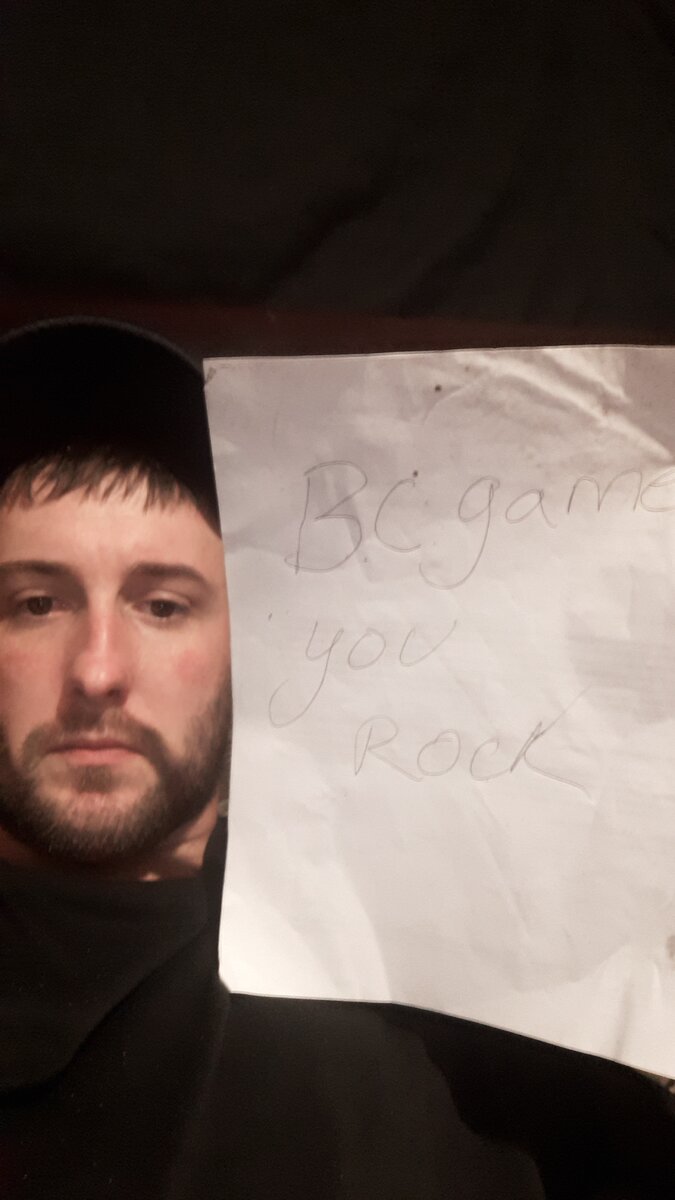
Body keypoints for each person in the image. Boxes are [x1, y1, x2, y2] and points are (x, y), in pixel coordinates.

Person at [0, 319, 673, 1200]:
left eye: (162, 606)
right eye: (36, 603)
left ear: (252, 640)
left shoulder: (451, 999)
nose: (97, 671)